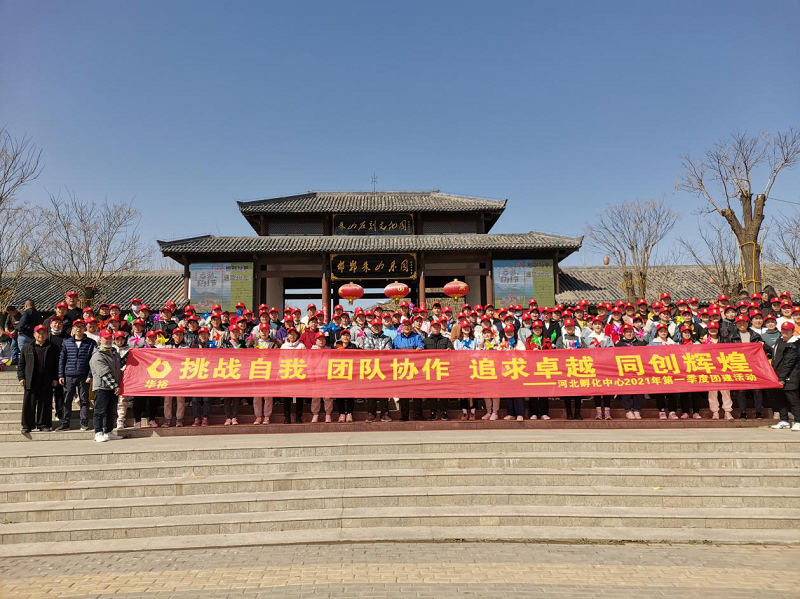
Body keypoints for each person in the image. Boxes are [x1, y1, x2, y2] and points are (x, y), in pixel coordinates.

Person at [18, 324, 59, 433]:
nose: (41, 335)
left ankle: (43, 424)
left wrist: (55, 378)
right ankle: (27, 426)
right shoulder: (27, 347)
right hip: (31, 379)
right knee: (29, 404)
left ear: (47, 334)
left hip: (46, 379)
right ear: (34, 334)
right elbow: (21, 364)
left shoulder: (53, 347)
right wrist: (21, 378)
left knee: (45, 403)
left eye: (44, 333)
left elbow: (56, 365)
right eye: (39, 333)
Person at [56, 319, 96, 431]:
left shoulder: (91, 343)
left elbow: (93, 360)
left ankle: (84, 423)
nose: (79, 329)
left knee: (84, 400)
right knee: (67, 399)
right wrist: (61, 375)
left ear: (84, 328)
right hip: (69, 375)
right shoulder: (66, 342)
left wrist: (90, 375)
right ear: (73, 329)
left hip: (84, 375)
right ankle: (65, 423)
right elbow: (62, 359)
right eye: (76, 326)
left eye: (81, 326)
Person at [89, 329, 123, 442]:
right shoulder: (97, 355)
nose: (108, 341)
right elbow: (104, 373)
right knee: (100, 411)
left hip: (113, 388)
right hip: (102, 387)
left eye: (110, 338)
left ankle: (108, 431)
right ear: (100, 340)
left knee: (111, 411)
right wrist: (115, 386)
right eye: (106, 338)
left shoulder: (114, 353)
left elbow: (120, 364)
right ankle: (98, 432)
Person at [770, 322, 800, 431]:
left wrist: (782, 378)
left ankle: (798, 421)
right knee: (780, 399)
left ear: (792, 331)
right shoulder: (779, 340)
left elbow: (789, 362)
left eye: (788, 330)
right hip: (777, 376)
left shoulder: (795, 343)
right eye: (783, 329)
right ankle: (784, 421)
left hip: (790, 376)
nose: (785, 332)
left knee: (793, 400)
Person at [363, 318, 393, 422]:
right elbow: (366, 351)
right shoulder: (367, 338)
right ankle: (371, 413)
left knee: (384, 392)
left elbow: (388, 351)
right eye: (375, 326)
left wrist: (375, 352)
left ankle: (384, 413)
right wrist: (378, 352)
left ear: (382, 326)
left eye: (379, 326)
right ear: (371, 327)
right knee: (371, 392)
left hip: (383, 368)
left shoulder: (387, 338)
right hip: (371, 368)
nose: (377, 328)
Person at [422, 318, 453, 420]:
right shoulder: (425, 341)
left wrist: (450, 350)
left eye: (438, 327)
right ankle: (433, 412)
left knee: (444, 391)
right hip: (430, 370)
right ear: (431, 328)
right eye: (434, 327)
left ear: (440, 328)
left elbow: (453, 352)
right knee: (432, 391)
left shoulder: (446, 340)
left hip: (443, 369)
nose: (436, 328)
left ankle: (444, 412)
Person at [615, 324, 646, 419]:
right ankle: (628, 410)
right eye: (627, 332)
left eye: (631, 332)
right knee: (626, 391)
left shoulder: (640, 343)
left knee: (639, 391)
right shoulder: (619, 344)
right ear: (623, 334)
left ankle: (637, 410)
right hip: (625, 371)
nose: (629, 334)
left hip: (638, 371)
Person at [280, 327, 306, 423]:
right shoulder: (283, 346)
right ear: (287, 335)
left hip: (298, 373)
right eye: (290, 334)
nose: (292, 336)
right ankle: (287, 416)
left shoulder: (301, 346)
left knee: (299, 396)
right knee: (287, 396)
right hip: (287, 373)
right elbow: (280, 360)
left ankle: (299, 415)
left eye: (294, 334)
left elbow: (305, 358)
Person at [453, 320, 478, 420]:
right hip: (462, 368)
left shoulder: (474, 340)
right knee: (463, 391)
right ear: (461, 329)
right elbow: (455, 354)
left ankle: (472, 412)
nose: (466, 329)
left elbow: (478, 352)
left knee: (473, 391)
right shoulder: (458, 341)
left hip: (472, 367)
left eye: (468, 327)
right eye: (464, 327)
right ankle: (464, 412)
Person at [333, 329, 360, 422]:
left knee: (350, 394)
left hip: (350, 373)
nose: (346, 337)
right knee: (339, 394)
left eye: (347, 335)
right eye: (344, 335)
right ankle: (341, 413)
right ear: (340, 337)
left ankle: (349, 413)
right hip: (339, 373)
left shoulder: (354, 347)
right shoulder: (336, 346)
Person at [310, 332, 334, 422]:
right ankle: (315, 414)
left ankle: (328, 414)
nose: (321, 341)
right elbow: (309, 365)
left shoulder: (329, 350)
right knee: (315, 397)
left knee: (328, 397)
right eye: (319, 339)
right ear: (315, 341)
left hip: (327, 377)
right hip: (316, 377)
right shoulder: (311, 351)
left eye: (323, 339)